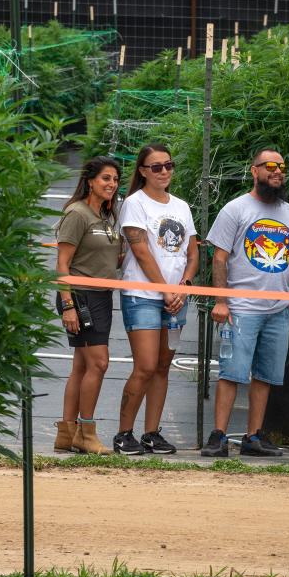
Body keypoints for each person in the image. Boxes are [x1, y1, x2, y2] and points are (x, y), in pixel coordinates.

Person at [200, 149, 289, 457]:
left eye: (282, 166)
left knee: (265, 375)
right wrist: (222, 301)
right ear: (254, 171)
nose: (277, 171)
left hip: (278, 311)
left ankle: (253, 437)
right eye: (270, 166)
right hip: (241, 308)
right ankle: (219, 437)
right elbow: (219, 258)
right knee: (231, 373)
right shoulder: (235, 209)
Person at [114, 144, 199, 455]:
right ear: (143, 171)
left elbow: (193, 252)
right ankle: (124, 433)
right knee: (146, 366)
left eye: (168, 165)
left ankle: (151, 433)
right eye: (156, 167)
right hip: (142, 295)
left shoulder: (182, 206)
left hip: (177, 296)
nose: (164, 171)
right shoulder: (134, 204)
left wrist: (184, 286)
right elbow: (141, 252)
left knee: (163, 366)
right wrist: (166, 290)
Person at [53, 156, 123, 455]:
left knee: (82, 365)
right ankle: (86, 432)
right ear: (91, 180)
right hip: (80, 296)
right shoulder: (78, 214)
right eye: (106, 178)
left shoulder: (105, 217)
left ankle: (66, 434)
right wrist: (68, 305)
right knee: (100, 363)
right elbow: (62, 263)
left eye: (116, 179)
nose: (112, 184)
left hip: (101, 297)